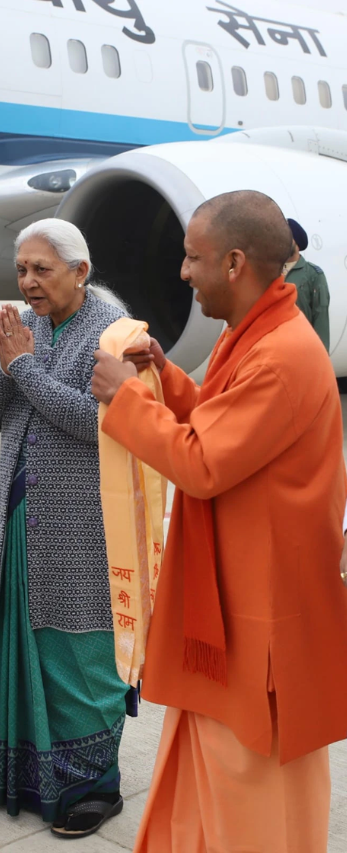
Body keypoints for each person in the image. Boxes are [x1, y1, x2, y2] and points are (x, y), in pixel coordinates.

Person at [92, 190, 347, 853]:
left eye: (192, 257)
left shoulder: (279, 354)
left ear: (235, 263)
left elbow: (204, 464)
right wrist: (166, 381)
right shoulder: (258, 332)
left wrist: (124, 398)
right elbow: (220, 418)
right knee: (223, 793)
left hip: (260, 626)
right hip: (239, 605)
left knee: (252, 803)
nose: (182, 271)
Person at [0, 219, 131, 839]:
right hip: (22, 518)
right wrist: (9, 365)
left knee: (80, 656)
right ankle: (32, 774)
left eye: (41, 270)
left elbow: (102, 423)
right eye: (21, 269)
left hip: (83, 527)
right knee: (26, 643)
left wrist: (23, 369)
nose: (27, 281)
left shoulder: (114, 333)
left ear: (80, 272)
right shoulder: (24, 330)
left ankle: (95, 787)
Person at [284, 217, 330, 350]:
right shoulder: (271, 273)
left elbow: (320, 320)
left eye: (286, 237)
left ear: (297, 243)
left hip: (302, 350)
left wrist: (321, 359)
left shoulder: (313, 275)